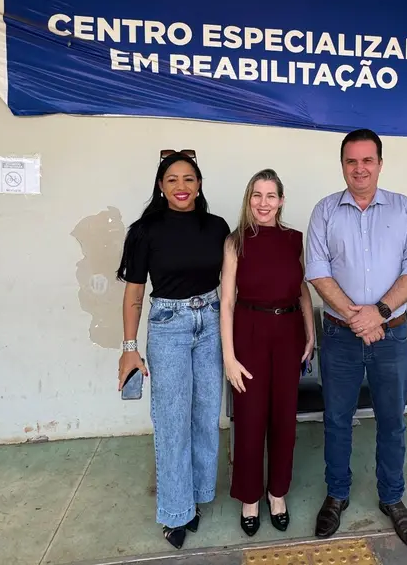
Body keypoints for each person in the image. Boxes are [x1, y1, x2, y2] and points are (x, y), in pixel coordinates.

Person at [304, 129, 407, 550]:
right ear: (342, 165)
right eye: (351, 161)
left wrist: (379, 313)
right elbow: (318, 272)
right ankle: (336, 495)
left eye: (367, 160)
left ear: (379, 163)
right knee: (337, 420)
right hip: (340, 337)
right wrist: (359, 318)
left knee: (392, 421)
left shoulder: (404, 208)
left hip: (391, 336)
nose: (360, 168)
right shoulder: (324, 211)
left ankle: (392, 499)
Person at [116, 150, 230, 550]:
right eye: (172, 180)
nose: (181, 187)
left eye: (189, 179)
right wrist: (130, 348)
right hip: (169, 327)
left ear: (199, 185)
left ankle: (197, 495)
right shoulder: (145, 231)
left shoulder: (217, 228)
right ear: (161, 188)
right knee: (172, 419)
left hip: (212, 322)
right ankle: (175, 510)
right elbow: (133, 295)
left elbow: (231, 286)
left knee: (204, 415)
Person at [220, 169, 315, 536]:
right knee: (249, 419)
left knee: (283, 420)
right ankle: (249, 498)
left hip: (288, 333)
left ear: (281, 200)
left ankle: (277, 494)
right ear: (248, 199)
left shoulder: (294, 239)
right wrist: (229, 356)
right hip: (249, 332)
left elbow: (302, 288)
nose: (263, 203)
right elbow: (227, 301)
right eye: (256, 195)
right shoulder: (235, 241)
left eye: (271, 195)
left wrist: (310, 334)